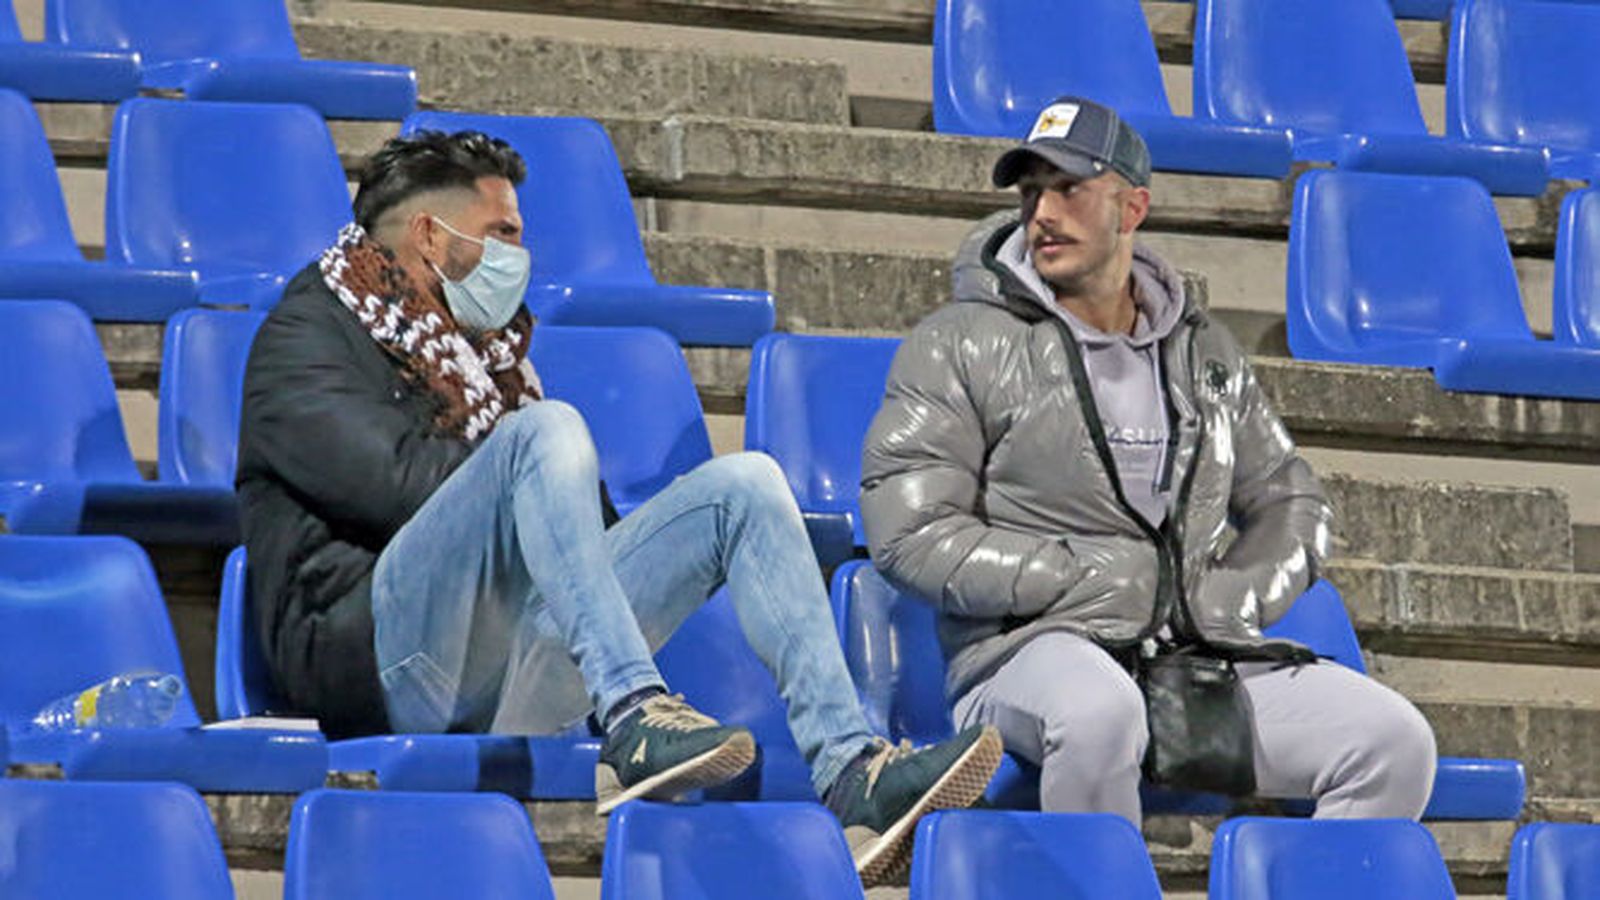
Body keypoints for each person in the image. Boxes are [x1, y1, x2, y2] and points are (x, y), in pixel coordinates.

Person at [236, 129, 999, 882]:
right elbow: (396, 486)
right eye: (501, 234)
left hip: (502, 661)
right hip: (372, 662)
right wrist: (524, 481)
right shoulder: (305, 336)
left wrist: (555, 520)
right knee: (548, 431)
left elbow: (583, 540)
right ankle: (633, 712)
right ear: (432, 237)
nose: (516, 258)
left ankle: (850, 769)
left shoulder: (491, 363)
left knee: (748, 484)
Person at [859, 97, 1437, 825]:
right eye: (1031, 191)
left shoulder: (1205, 353)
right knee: (1100, 714)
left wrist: (1226, 598)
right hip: (1028, 652)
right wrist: (1077, 577)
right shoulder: (958, 342)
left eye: (1068, 188)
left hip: (1185, 655)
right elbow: (908, 534)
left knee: (1393, 743)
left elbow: (1295, 504)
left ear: (1132, 208)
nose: (1042, 212)